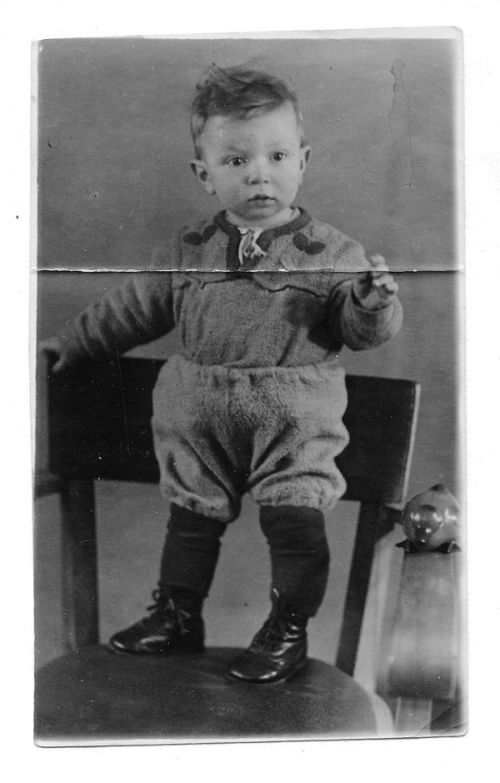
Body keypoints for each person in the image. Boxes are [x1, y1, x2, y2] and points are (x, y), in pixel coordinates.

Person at [41, 65, 402, 684]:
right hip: (199, 412)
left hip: (293, 419)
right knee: (191, 516)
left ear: (303, 160)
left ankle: (288, 627)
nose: (260, 173)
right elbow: (130, 310)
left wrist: (372, 303)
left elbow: (361, 332)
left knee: (294, 519)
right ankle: (178, 615)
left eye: (277, 156)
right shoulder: (189, 249)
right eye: (236, 160)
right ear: (204, 174)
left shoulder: (334, 254)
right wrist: (68, 345)